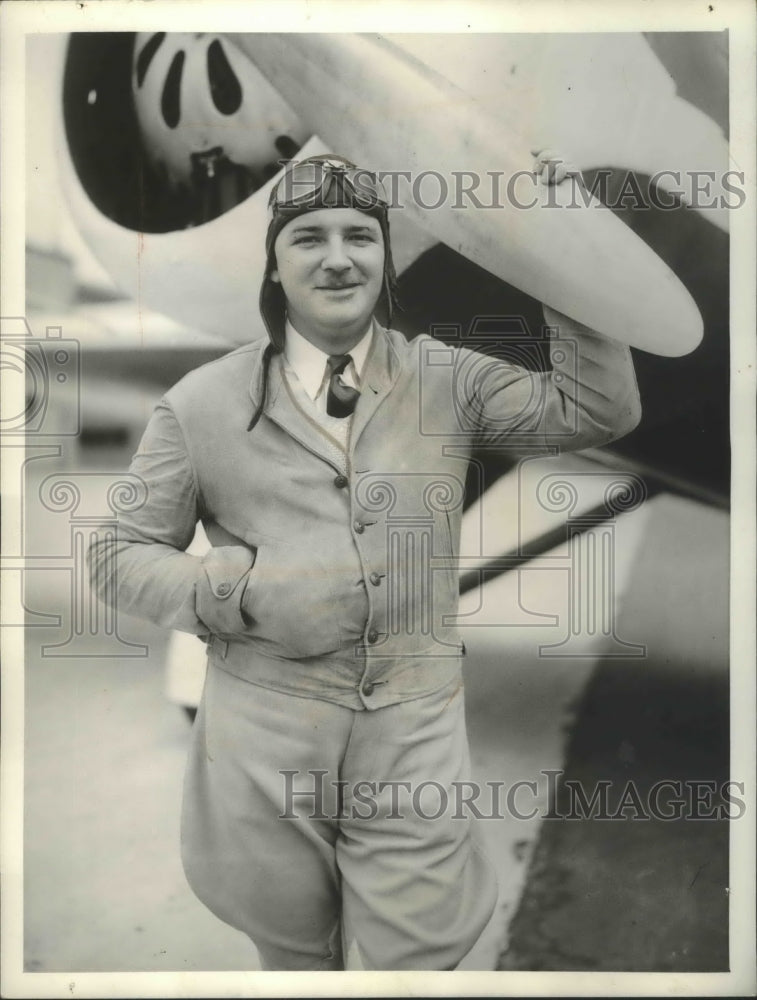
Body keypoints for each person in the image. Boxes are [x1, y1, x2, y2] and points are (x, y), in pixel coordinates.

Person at [88, 153, 641, 971]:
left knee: (417, 963)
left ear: (384, 259)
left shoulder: (446, 379)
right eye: (307, 237)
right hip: (263, 742)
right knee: (294, 958)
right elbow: (113, 555)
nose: (337, 256)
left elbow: (596, 406)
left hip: (412, 731)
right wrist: (238, 590)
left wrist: (566, 249)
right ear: (274, 264)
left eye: (359, 236)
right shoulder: (201, 402)